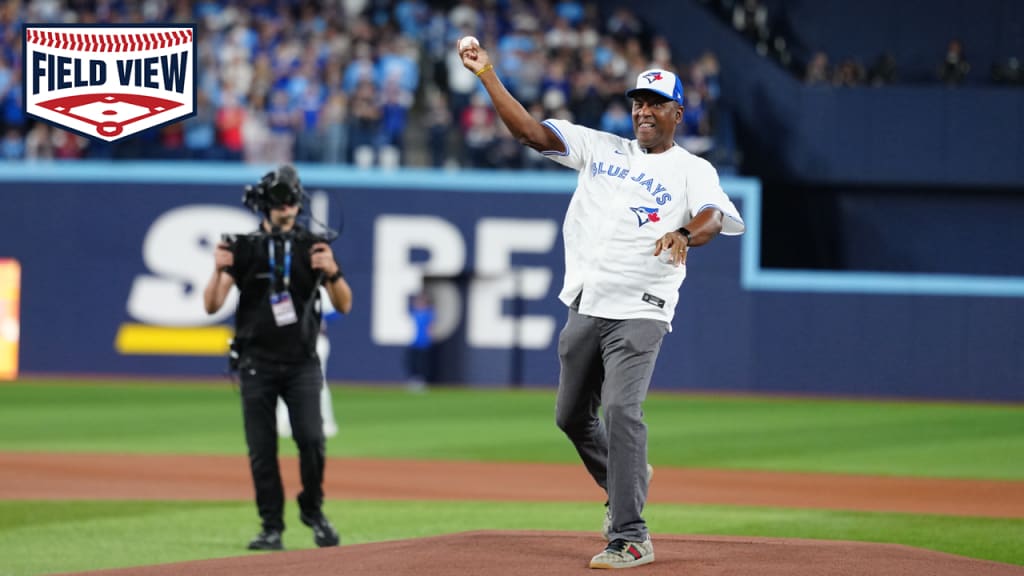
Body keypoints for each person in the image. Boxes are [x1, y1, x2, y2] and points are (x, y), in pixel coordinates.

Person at [457, 40, 744, 569]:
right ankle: (627, 474)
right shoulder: (601, 148)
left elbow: (712, 216)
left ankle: (631, 535)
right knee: (570, 416)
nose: (643, 110)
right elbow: (527, 131)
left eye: (655, 103)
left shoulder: (692, 169)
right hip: (586, 303)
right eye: (638, 101)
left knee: (620, 409)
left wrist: (683, 232)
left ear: (677, 113)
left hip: (642, 305)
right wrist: (487, 74)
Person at [203, 165, 353, 552]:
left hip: (302, 361)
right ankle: (271, 526)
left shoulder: (314, 247)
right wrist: (219, 269)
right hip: (256, 363)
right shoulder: (246, 247)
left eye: (292, 199)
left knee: (312, 439)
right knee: (262, 449)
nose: (287, 206)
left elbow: (346, 304)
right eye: (281, 199)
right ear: (267, 204)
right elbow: (212, 304)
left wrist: (333, 274)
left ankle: (313, 509)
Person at [276, 290, 340, 439]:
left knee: (318, 381)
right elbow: (279, 313)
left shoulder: (320, 286)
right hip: (288, 340)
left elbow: (338, 311)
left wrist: (311, 313)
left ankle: (325, 423)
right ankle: (282, 423)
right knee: (281, 379)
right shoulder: (283, 286)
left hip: (315, 339)